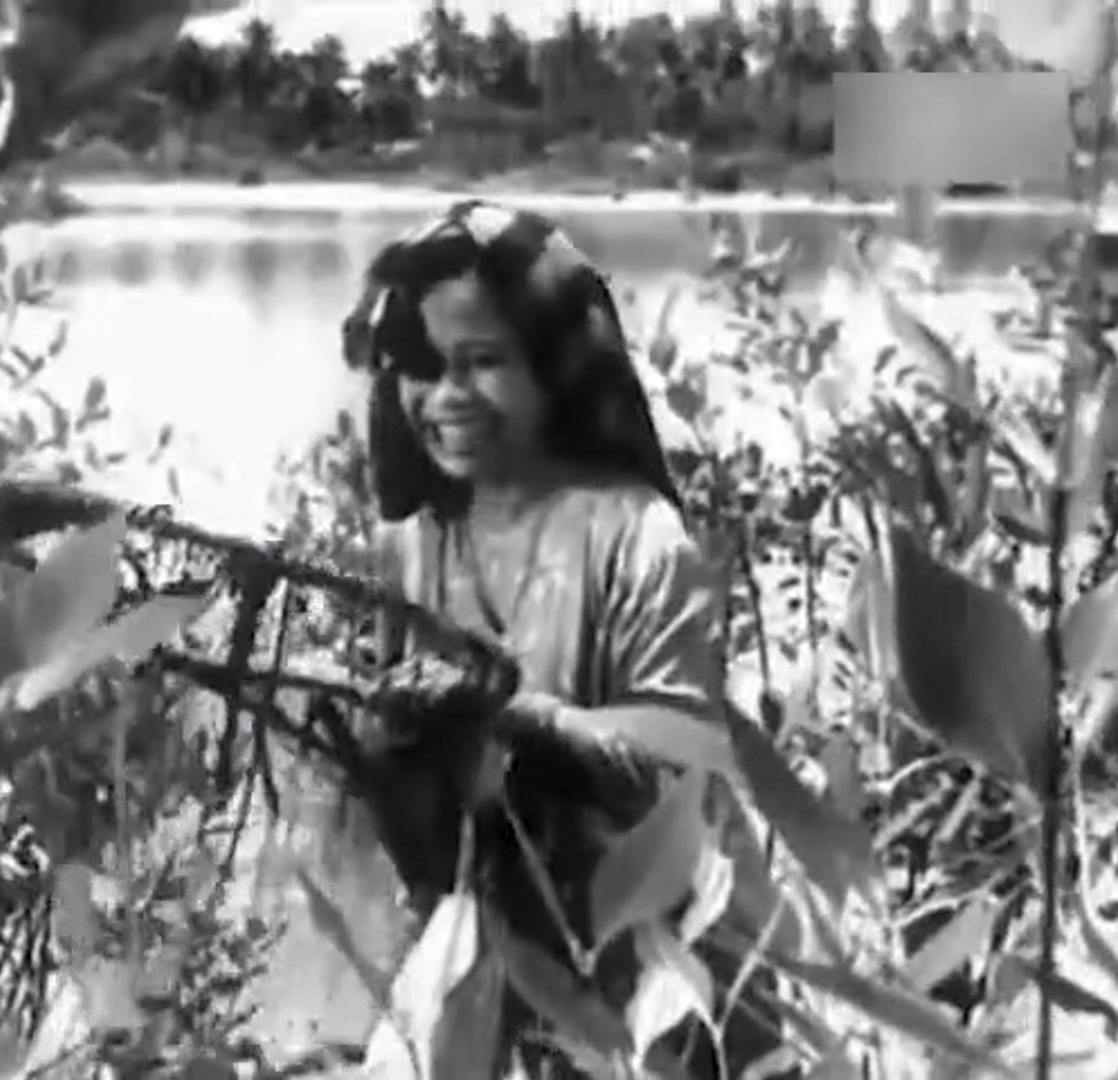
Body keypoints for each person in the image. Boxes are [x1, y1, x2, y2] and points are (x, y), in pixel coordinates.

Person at [337, 199, 790, 1078]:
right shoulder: (413, 546)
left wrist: (519, 719)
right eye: (421, 367)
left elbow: (680, 765)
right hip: (495, 934)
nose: (447, 397)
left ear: (555, 367)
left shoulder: (635, 534)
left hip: (662, 953)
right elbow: (408, 834)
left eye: (482, 362)